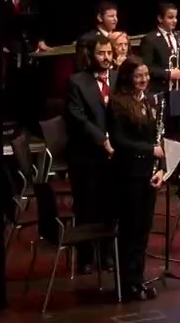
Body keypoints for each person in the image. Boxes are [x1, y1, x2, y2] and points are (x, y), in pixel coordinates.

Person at [106, 56, 167, 301]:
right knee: (130, 231)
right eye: (138, 76)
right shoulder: (117, 104)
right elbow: (120, 142)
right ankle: (127, 283)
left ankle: (138, 280)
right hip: (128, 174)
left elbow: (157, 140)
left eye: (146, 75)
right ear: (127, 77)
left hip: (148, 174)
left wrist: (161, 168)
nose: (144, 80)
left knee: (143, 231)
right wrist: (149, 151)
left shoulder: (150, 102)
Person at [63, 38, 115, 273]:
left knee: (110, 206)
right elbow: (77, 117)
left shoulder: (117, 78)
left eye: (109, 52)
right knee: (86, 207)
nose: (106, 57)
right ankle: (85, 258)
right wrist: (102, 140)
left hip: (114, 155)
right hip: (86, 155)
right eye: (101, 53)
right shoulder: (77, 82)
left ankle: (107, 255)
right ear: (91, 55)